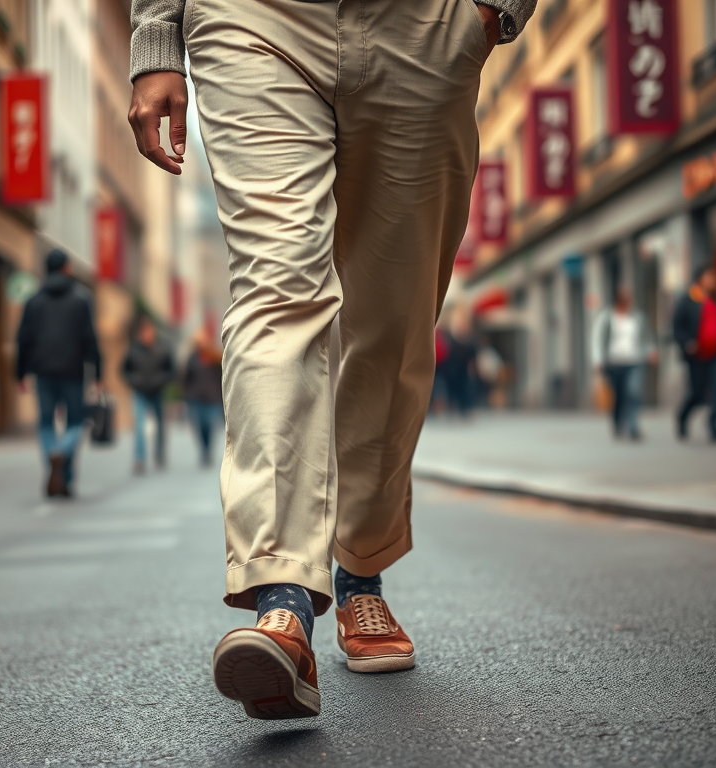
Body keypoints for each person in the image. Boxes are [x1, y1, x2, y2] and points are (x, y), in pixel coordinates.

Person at [129, 0, 537, 718]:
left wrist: (495, 11)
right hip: (250, 20)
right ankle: (283, 603)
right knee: (277, 289)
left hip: (423, 25)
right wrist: (158, 33)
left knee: (392, 325)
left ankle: (361, 571)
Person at [16, 249, 102, 498]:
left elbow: (24, 339)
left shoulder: (33, 301)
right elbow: (90, 339)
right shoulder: (80, 300)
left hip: (42, 370)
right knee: (76, 422)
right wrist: (97, 372)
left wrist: (20, 373)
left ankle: (53, 458)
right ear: (65, 268)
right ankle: (63, 458)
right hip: (73, 371)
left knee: (45, 422)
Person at [673, 263, 716, 443]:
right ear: (700, 279)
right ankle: (683, 416)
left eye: (714, 277)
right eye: (710, 277)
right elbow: (677, 326)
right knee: (698, 393)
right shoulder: (688, 299)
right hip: (697, 354)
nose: (713, 280)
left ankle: (715, 427)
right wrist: (687, 343)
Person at [591, 286, 657, 441]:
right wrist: (598, 360)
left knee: (633, 392)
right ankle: (617, 422)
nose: (628, 300)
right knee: (619, 396)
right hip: (614, 363)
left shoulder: (637, 317)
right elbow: (597, 339)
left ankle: (633, 426)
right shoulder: (606, 317)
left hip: (634, 361)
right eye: (625, 297)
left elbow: (646, 336)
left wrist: (651, 351)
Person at [122, 315, 175, 474]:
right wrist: (133, 380)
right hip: (140, 391)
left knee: (160, 425)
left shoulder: (162, 347)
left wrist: (162, 380)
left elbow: (171, 370)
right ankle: (139, 459)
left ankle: (159, 453)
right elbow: (124, 370)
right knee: (139, 425)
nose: (148, 335)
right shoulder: (133, 349)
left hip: (157, 391)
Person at [182, 327, 223, 467]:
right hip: (196, 399)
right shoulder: (192, 358)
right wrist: (186, 395)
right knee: (199, 427)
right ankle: (204, 450)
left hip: (213, 398)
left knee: (210, 426)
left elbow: (224, 375)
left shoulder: (216, 357)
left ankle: (208, 449)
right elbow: (185, 377)